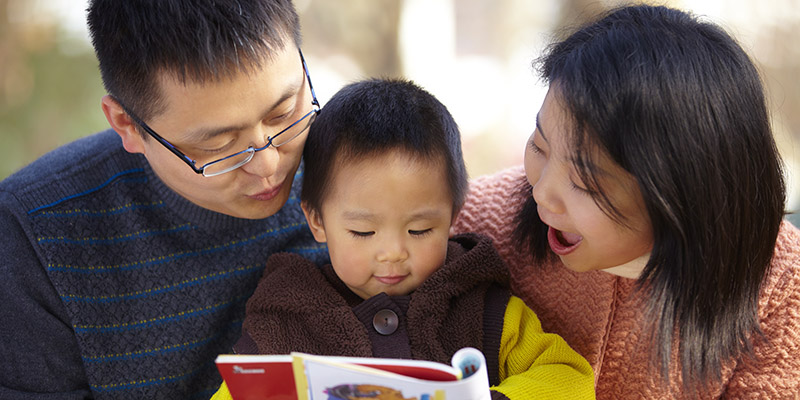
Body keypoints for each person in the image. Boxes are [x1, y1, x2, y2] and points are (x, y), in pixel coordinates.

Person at [452, 4, 800, 399]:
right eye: (539, 145)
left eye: (585, 183)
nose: (541, 192)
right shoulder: (474, 219)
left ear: (680, 192)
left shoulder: (781, 285)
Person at [0, 1, 329, 398]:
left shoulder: (364, 173)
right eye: (219, 145)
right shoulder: (35, 234)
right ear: (128, 124)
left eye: (283, 114)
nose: (267, 165)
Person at [212, 78, 595, 399]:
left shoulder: (484, 310)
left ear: (453, 216)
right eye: (363, 232)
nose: (393, 253)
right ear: (317, 221)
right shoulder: (285, 320)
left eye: (420, 230)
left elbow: (570, 378)